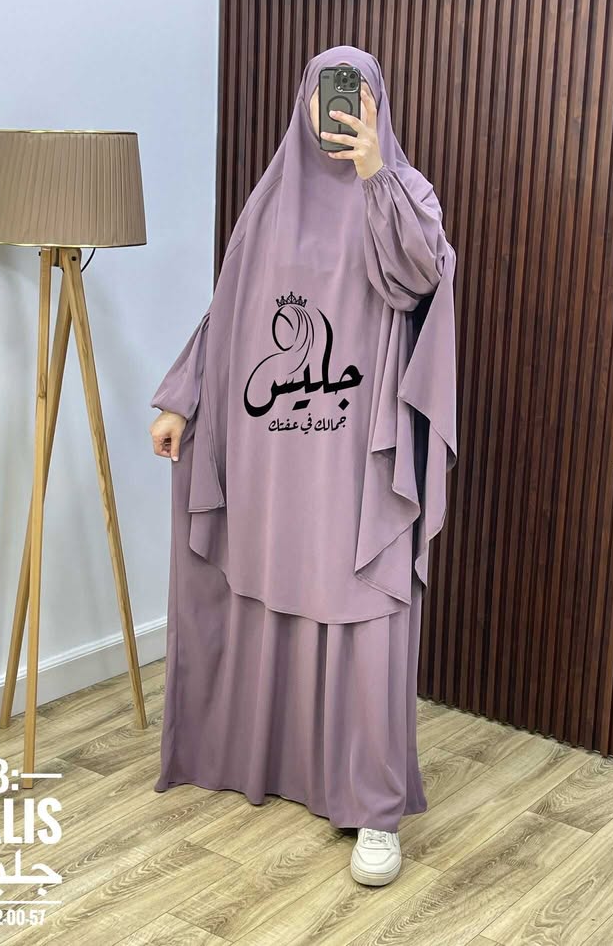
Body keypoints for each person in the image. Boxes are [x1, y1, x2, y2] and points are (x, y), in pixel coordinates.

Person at [148, 44, 457, 887]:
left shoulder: (405, 192)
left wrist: (375, 173)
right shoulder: (268, 203)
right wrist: (182, 399)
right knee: (265, 582)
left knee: (364, 602)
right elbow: (231, 314)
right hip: (277, 448)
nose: (336, 109)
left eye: (351, 94)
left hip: (359, 454)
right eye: (323, 94)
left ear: (376, 103)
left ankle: (373, 807)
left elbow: (420, 275)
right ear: (302, 104)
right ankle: (274, 762)